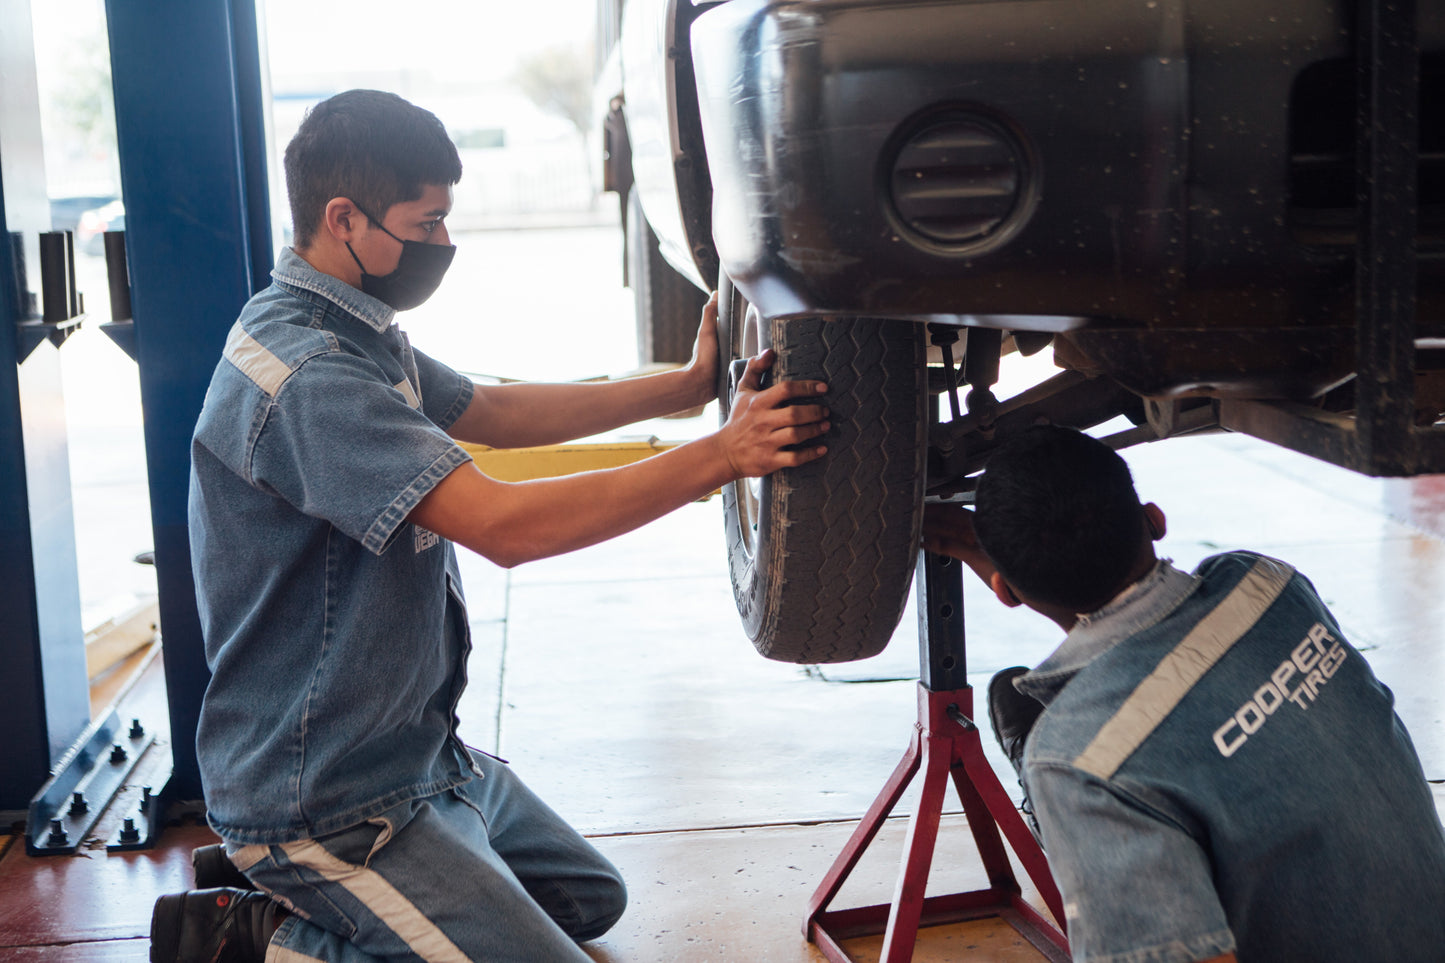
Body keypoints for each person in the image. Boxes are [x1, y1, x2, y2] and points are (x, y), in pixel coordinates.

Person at [149, 89, 831, 963]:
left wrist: (682, 388)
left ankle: (336, 888)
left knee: (587, 898)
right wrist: (723, 456)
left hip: (414, 756)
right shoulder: (311, 376)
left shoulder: (347, 326)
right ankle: (258, 937)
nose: (441, 244)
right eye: (425, 222)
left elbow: (487, 409)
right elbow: (505, 525)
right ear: (343, 218)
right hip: (323, 789)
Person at [922, 425, 1445, 963]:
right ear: (1154, 520)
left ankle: (1078, 828)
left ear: (1005, 592)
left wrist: (1069, 760)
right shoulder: (1269, 585)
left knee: (1095, 768)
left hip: (1090, 761)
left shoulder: (1076, 762)